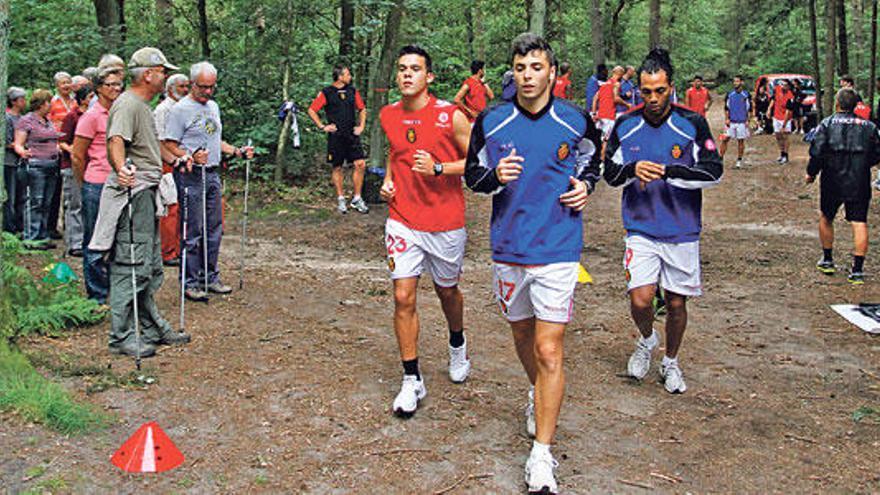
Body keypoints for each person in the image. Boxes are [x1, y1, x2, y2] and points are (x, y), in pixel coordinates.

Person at [465, 33, 602, 495]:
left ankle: (541, 457)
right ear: (514, 72)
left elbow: (591, 161)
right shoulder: (492, 121)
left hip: (559, 246)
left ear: (552, 72)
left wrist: (586, 186)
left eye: (537, 67)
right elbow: (473, 175)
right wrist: (494, 177)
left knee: (549, 349)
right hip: (509, 247)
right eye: (521, 68)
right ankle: (537, 393)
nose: (528, 75)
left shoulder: (576, 119)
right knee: (522, 335)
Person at [602, 47, 723, 396]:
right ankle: (646, 339)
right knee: (640, 299)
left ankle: (670, 361)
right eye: (646, 91)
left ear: (672, 87)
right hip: (640, 226)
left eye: (660, 90)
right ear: (638, 89)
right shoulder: (626, 124)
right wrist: (632, 170)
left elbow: (714, 171)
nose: (653, 98)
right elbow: (609, 173)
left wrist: (671, 172)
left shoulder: (692, 123)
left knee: (675, 303)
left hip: (682, 228)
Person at [378, 45, 472, 419]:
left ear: (428, 77)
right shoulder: (388, 115)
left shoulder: (452, 116)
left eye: (415, 69)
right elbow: (395, 152)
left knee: (447, 291)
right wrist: (388, 181)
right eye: (402, 69)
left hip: (445, 221)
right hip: (402, 219)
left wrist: (439, 168)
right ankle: (411, 377)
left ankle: (457, 341)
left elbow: (479, 164)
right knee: (403, 296)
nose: (406, 75)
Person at [89, 47, 190, 357]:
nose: (166, 77)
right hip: (133, 196)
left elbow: (150, 145)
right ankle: (120, 337)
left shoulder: (143, 107)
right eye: (163, 72)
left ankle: (150, 326)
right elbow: (115, 140)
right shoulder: (127, 105)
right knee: (130, 264)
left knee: (147, 265)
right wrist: (121, 169)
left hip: (146, 193)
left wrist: (177, 158)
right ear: (148, 74)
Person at [163, 61, 254, 302]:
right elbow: (168, 143)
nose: (208, 92)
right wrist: (188, 156)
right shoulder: (180, 109)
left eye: (212, 87)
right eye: (203, 87)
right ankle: (190, 281)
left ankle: (210, 276)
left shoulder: (213, 106)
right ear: (192, 84)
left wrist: (236, 151)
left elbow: (216, 139)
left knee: (214, 228)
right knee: (193, 229)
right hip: (191, 174)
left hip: (212, 173)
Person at [808, 88, 880, 285]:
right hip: (859, 180)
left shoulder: (827, 124)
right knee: (859, 222)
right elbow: (877, 153)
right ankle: (857, 270)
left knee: (826, 216)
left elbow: (817, 151)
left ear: (837, 104)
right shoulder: (868, 127)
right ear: (856, 104)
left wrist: (811, 173)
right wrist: (865, 163)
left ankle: (828, 259)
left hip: (832, 179)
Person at [73, 67, 124, 304]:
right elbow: (77, 155)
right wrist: (84, 183)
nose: (115, 89)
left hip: (119, 185)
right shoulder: (91, 117)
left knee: (116, 240)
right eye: (110, 85)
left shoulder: (121, 112)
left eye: (118, 85)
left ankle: (115, 291)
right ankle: (97, 295)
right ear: (98, 88)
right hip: (96, 184)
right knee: (94, 240)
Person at [307, 65, 369, 214]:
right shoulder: (327, 92)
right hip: (336, 135)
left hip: (351, 134)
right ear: (340, 77)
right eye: (348, 74)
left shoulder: (352, 91)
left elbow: (362, 109)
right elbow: (311, 110)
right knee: (337, 167)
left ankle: (357, 198)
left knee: (360, 164)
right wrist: (322, 126)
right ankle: (341, 199)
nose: (350, 77)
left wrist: (361, 126)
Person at [13, 89, 62, 250]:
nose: (51, 105)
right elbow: (18, 143)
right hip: (35, 167)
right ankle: (31, 237)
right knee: (35, 201)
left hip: (51, 165)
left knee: (46, 203)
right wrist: (23, 152)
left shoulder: (47, 121)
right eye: (48, 102)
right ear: (41, 104)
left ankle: (42, 235)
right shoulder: (27, 120)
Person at [154, 73, 190, 266]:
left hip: (184, 162)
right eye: (181, 86)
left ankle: (178, 247)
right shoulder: (163, 110)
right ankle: (167, 252)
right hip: (167, 163)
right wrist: (175, 159)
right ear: (170, 89)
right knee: (170, 207)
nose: (185, 90)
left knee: (183, 207)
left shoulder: (185, 108)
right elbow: (160, 141)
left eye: (187, 86)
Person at [58, 86, 92, 256]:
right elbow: (62, 141)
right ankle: (75, 242)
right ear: (83, 98)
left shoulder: (94, 115)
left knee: (87, 204)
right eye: (91, 96)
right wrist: (75, 150)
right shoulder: (72, 116)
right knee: (74, 204)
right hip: (72, 165)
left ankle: (86, 240)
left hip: (90, 166)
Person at [3, 87, 26, 234]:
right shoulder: (7, 118)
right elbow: (6, 141)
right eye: (21, 99)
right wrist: (21, 147)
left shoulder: (23, 118)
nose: (24, 102)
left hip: (22, 162)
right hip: (9, 162)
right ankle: (9, 228)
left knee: (22, 196)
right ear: (13, 101)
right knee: (10, 196)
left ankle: (20, 225)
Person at [719, 75, 751, 169]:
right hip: (731, 121)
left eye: (737, 81)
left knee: (740, 141)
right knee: (725, 139)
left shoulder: (746, 94)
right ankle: (720, 159)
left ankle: (739, 160)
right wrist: (726, 119)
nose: (735, 83)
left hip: (742, 121)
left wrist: (748, 120)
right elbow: (726, 108)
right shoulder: (729, 94)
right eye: (734, 81)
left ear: (742, 82)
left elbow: (750, 108)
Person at [592, 66, 628, 142]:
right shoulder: (616, 84)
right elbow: (616, 99)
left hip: (600, 116)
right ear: (620, 74)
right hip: (609, 117)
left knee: (599, 141)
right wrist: (627, 104)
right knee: (607, 142)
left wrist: (594, 114)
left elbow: (595, 99)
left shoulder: (604, 84)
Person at [767, 79, 794, 164]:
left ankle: (786, 155)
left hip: (785, 118)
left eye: (785, 85)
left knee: (785, 136)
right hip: (776, 116)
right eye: (782, 85)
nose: (783, 86)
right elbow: (773, 99)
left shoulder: (790, 96)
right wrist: (769, 109)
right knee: (778, 136)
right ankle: (781, 153)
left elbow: (788, 112)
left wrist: (784, 125)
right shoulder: (777, 89)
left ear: (788, 87)